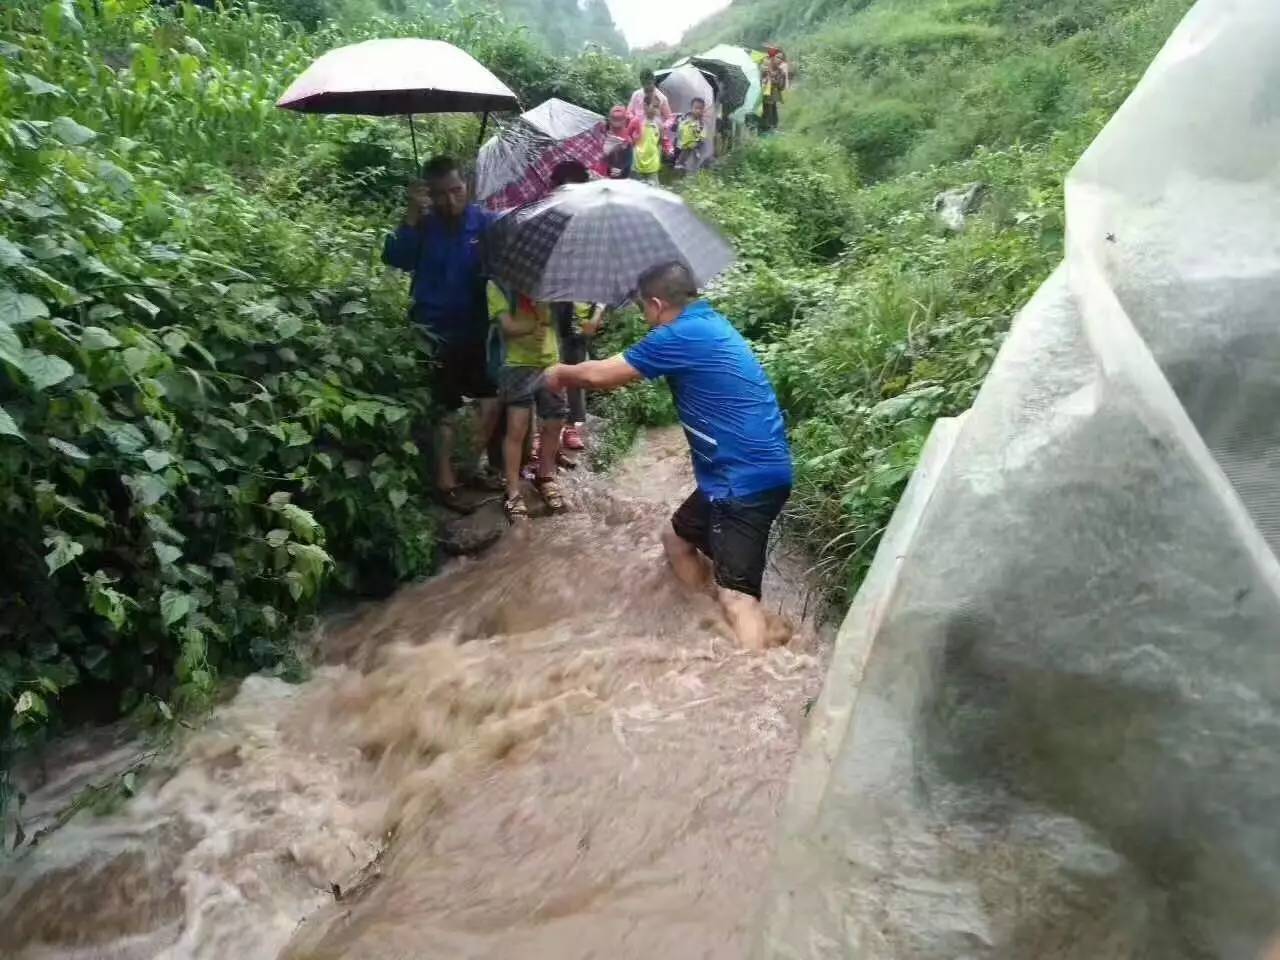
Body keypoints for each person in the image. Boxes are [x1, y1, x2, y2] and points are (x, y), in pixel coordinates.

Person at [544, 261, 793, 650]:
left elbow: (601, 376)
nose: (645, 318)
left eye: (644, 309)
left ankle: (756, 676)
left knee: (739, 598)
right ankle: (710, 621)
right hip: (746, 471)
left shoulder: (679, 335)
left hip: (739, 481)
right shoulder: (710, 323)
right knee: (676, 539)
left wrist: (559, 371)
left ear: (657, 304)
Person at [382, 156, 500, 510]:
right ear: (429, 195)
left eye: (457, 190)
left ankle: (471, 464)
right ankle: (445, 481)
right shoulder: (423, 226)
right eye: (441, 194)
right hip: (433, 330)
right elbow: (395, 259)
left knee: (491, 399)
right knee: (445, 408)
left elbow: (511, 263)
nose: (451, 200)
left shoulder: (486, 223)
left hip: (478, 326)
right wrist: (411, 218)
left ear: (468, 186)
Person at [487, 282, 569, 520]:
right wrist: (536, 321)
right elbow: (507, 326)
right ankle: (512, 490)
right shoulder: (498, 286)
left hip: (550, 361)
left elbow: (562, 320)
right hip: (517, 365)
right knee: (516, 427)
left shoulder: (552, 282)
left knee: (555, 420)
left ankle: (546, 475)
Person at [546, 160, 604, 453]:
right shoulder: (544, 224)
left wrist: (597, 313)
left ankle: (573, 424)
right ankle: (547, 424)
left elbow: (609, 274)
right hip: (549, 303)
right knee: (547, 361)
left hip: (581, 305)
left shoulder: (594, 227)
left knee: (576, 363)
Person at [631, 95, 670, 185]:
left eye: (658, 107)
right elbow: (629, 137)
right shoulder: (636, 121)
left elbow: (661, 140)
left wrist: (667, 150)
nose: (657, 110)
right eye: (654, 106)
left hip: (652, 162)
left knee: (654, 188)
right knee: (636, 188)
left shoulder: (659, 123)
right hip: (637, 161)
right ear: (645, 105)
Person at [676, 97, 709, 176]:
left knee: (694, 164)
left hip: (696, 148)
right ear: (691, 108)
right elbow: (680, 131)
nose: (698, 111)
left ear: (703, 110)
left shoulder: (702, 124)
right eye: (696, 108)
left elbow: (703, 136)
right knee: (681, 163)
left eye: (701, 109)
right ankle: (679, 174)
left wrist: (699, 138)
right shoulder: (685, 120)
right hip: (684, 147)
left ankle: (692, 175)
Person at [601, 105, 636, 180]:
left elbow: (626, 167)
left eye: (618, 119)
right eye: (614, 119)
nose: (616, 122)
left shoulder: (627, 141)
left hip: (616, 177)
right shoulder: (603, 132)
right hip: (602, 174)